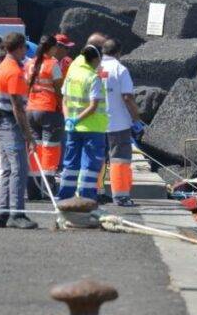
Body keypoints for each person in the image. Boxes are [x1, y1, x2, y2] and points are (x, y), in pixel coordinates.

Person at [0, 33, 38, 229]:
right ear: (19, 48)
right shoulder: (15, 72)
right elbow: (18, 107)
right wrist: (29, 135)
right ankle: (17, 213)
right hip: (10, 123)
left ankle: (3, 212)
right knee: (19, 168)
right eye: (24, 48)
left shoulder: (2, 66)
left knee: (8, 169)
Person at [57, 44, 107, 201]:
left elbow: (64, 99)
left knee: (70, 164)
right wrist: (78, 119)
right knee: (89, 167)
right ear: (96, 59)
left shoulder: (72, 75)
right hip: (92, 128)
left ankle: (65, 197)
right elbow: (93, 106)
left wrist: (68, 119)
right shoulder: (93, 78)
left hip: (72, 128)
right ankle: (86, 199)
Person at [100, 38, 145, 206]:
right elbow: (127, 97)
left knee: (98, 159)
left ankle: (96, 192)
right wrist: (136, 119)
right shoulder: (120, 69)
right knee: (119, 160)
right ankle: (120, 196)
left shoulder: (94, 68)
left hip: (96, 122)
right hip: (117, 123)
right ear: (119, 52)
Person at [24, 35, 64, 200]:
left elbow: (26, 85)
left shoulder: (30, 64)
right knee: (50, 149)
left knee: (35, 148)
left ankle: (33, 189)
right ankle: (47, 189)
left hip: (31, 109)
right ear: (52, 48)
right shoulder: (52, 64)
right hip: (49, 110)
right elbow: (59, 90)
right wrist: (63, 109)